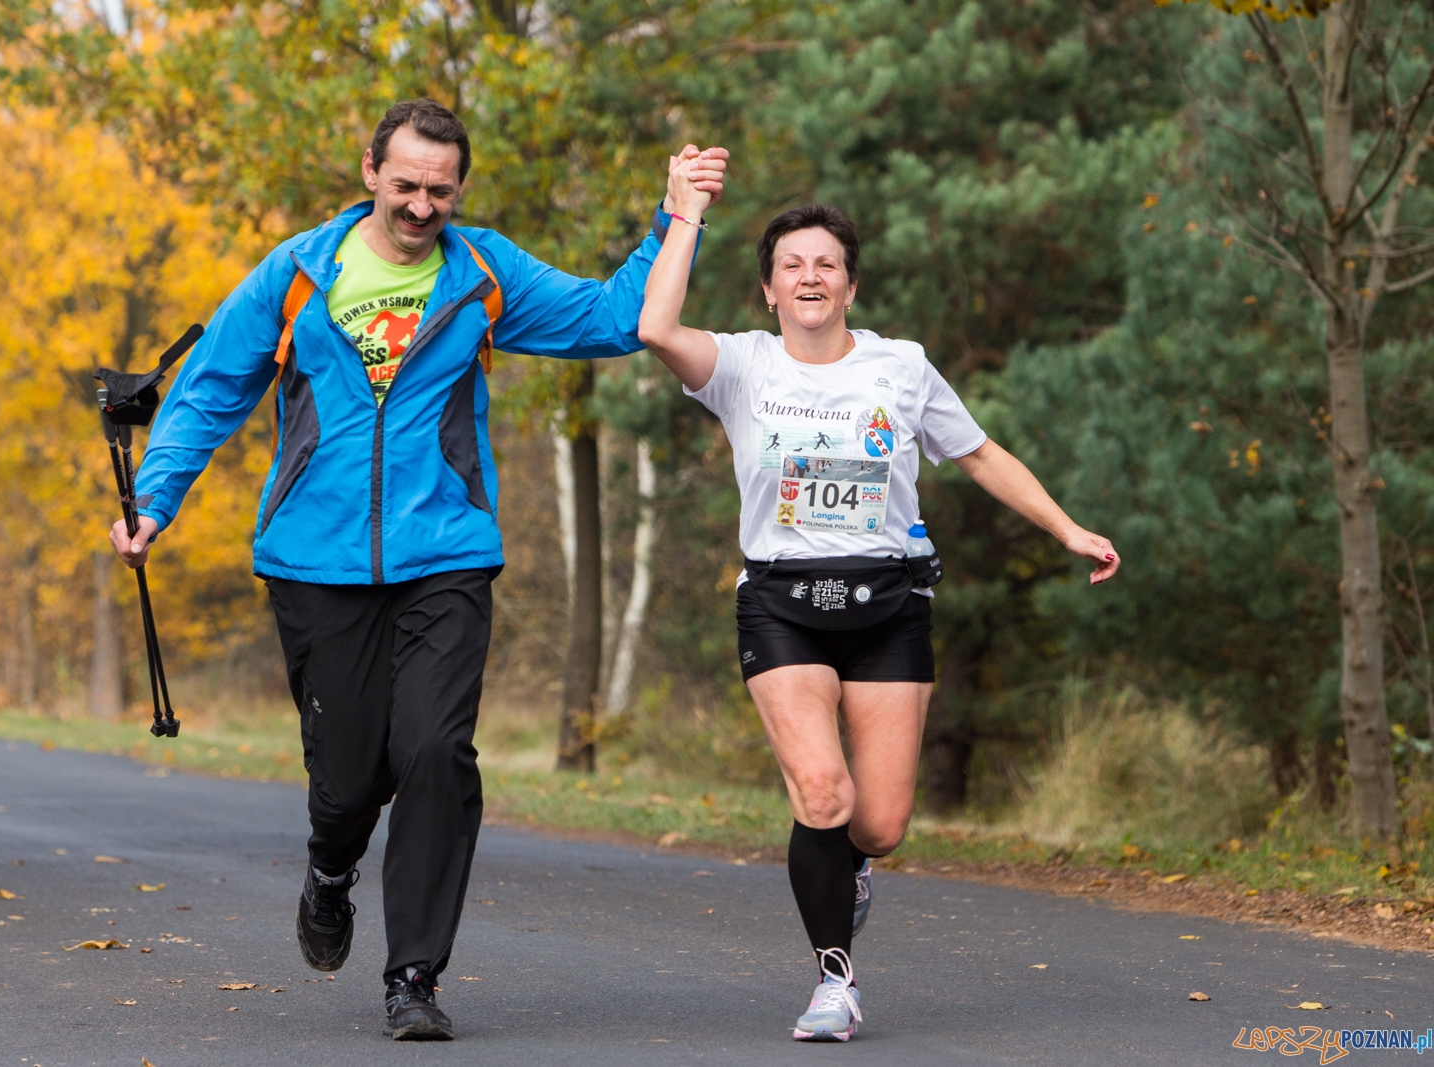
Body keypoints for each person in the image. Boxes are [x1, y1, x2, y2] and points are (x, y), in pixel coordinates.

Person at [110, 98, 729, 1042]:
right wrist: (155, 502)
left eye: (440, 189)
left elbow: (615, 318)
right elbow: (207, 392)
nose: (421, 205)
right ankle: (329, 867)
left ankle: (414, 975)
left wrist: (676, 215)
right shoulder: (297, 274)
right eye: (404, 184)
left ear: (459, 189)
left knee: (439, 752)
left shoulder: (483, 273)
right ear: (369, 172)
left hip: (446, 552)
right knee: (350, 780)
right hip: (314, 562)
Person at [637, 174, 1118, 1041]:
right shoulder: (743, 364)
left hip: (889, 604)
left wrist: (1066, 527)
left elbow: (978, 453)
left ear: (851, 286)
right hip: (781, 603)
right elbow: (655, 327)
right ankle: (835, 980)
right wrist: (686, 213)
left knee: (881, 822)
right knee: (821, 791)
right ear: (771, 287)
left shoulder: (900, 365)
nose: (811, 276)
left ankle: (848, 864)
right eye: (793, 264)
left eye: (828, 263)